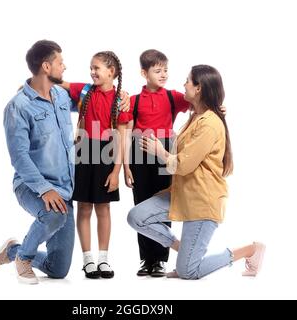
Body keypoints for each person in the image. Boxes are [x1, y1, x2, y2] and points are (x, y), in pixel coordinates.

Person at [127, 65, 265, 280]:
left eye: (188, 81)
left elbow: (183, 165)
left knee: (187, 271)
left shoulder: (209, 123)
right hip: (183, 195)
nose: (184, 84)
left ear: (199, 88)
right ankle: (186, 253)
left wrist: (160, 152)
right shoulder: (196, 117)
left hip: (201, 201)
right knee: (137, 216)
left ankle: (250, 250)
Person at [0, 40, 77, 285]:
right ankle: (23, 258)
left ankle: (12, 251)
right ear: (46, 66)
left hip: (65, 189)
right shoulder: (18, 107)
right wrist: (45, 189)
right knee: (54, 216)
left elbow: (93, 99)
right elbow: (19, 157)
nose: (64, 67)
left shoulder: (62, 96)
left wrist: (119, 96)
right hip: (31, 185)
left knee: (58, 270)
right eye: (60, 62)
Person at [62, 51, 131, 279]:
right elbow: (59, 82)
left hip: (106, 155)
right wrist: (27, 86)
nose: (92, 72)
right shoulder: (84, 90)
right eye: (91, 68)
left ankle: (103, 259)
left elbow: (121, 138)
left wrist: (116, 171)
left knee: (103, 208)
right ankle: (87, 259)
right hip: (83, 152)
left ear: (111, 72)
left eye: (97, 68)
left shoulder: (120, 100)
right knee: (84, 207)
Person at [123, 49, 190, 277]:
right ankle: (146, 260)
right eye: (158, 70)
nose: (163, 74)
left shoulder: (172, 96)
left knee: (164, 206)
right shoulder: (133, 100)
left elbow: (198, 101)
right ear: (144, 73)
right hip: (139, 156)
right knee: (141, 203)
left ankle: (160, 259)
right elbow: (123, 128)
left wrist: (218, 108)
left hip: (164, 153)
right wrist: (127, 167)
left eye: (166, 70)